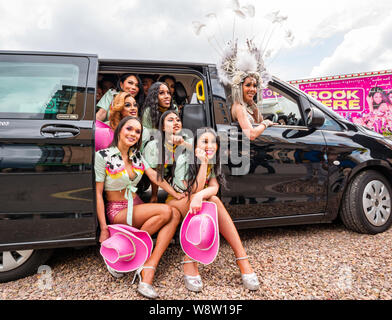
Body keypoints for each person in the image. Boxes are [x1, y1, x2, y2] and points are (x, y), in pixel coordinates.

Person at [95, 116, 185, 299]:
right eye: (129, 129)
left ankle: (147, 268)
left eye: (137, 131)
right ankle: (134, 251)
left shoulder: (136, 155)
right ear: (119, 130)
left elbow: (155, 176)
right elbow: (98, 194)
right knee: (166, 211)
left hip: (136, 205)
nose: (133, 134)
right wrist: (103, 229)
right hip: (117, 209)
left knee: (174, 214)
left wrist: (176, 195)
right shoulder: (103, 156)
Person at [166, 127, 260, 292]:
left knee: (214, 200)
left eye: (213, 142)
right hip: (176, 202)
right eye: (204, 141)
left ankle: (241, 258)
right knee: (210, 201)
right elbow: (193, 190)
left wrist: (199, 196)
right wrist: (202, 167)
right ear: (195, 145)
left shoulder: (212, 161)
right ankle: (191, 260)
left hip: (194, 201)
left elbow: (214, 188)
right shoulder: (185, 159)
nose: (209, 146)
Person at [143, 110, 192, 203]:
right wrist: (154, 195)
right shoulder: (153, 146)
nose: (176, 122)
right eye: (170, 120)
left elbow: (201, 154)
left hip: (186, 187)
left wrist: (183, 143)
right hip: (166, 185)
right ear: (163, 127)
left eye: (178, 120)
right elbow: (155, 174)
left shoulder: (187, 140)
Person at [231, 75, 274, 140]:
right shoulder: (239, 107)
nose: (252, 89)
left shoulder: (245, 105)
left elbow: (259, 121)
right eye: (248, 85)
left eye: (255, 86)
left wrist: (253, 105)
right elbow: (251, 135)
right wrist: (267, 123)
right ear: (240, 87)